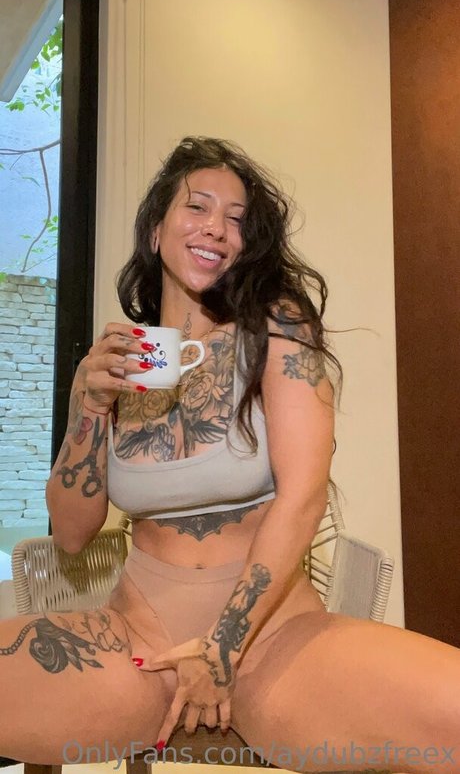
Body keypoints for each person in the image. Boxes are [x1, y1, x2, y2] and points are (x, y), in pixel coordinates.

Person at [1, 136, 459, 774]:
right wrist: (88, 403)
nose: (217, 227)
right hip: (139, 646)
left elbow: (303, 497)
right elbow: (72, 534)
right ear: (156, 230)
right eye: (197, 207)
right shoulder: (125, 360)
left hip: (273, 643)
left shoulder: (278, 328)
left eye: (237, 219)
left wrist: (222, 648)